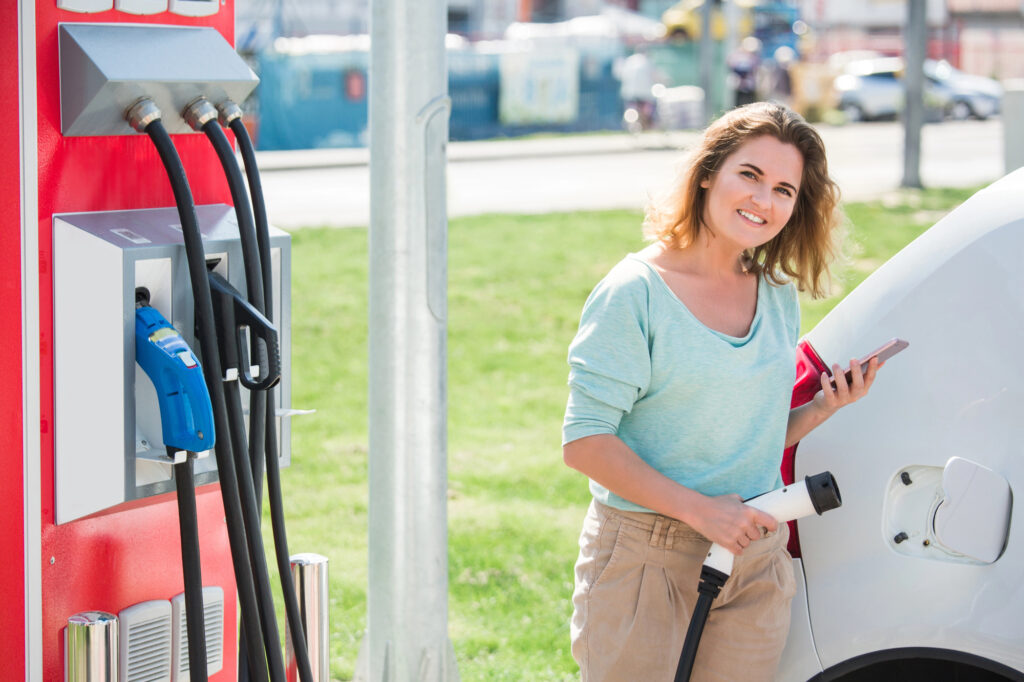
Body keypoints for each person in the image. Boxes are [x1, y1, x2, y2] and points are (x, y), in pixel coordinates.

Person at [562, 102, 880, 682]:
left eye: (784, 190)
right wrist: (700, 512)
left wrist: (821, 408)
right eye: (750, 176)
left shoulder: (776, 295)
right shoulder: (635, 293)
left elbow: (737, 437)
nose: (764, 201)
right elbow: (585, 443)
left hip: (753, 552)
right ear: (708, 172)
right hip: (645, 556)